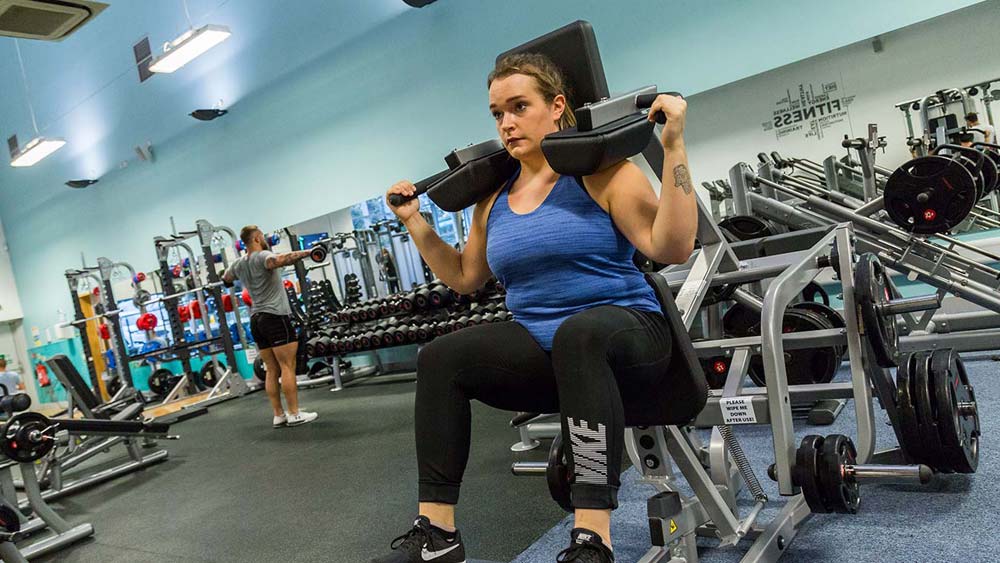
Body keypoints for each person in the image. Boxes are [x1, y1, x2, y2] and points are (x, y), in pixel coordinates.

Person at [374, 53, 696, 563]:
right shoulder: (493, 199)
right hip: (552, 349)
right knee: (439, 357)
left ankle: (593, 538)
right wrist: (415, 222)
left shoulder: (604, 174)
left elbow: (673, 248)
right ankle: (437, 534)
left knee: (581, 335)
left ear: (557, 106)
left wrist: (674, 148)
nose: (506, 122)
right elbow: (464, 277)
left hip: (631, 334)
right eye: (497, 112)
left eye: (519, 106)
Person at [222, 226, 318, 428]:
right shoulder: (262, 255)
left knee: (271, 370)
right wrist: (309, 252)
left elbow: (226, 279)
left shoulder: (238, 264)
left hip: (256, 319)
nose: (264, 238)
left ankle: (278, 415)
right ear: (256, 238)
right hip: (275, 317)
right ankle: (294, 414)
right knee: (287, 366)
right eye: (262, 236)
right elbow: (278, 260)